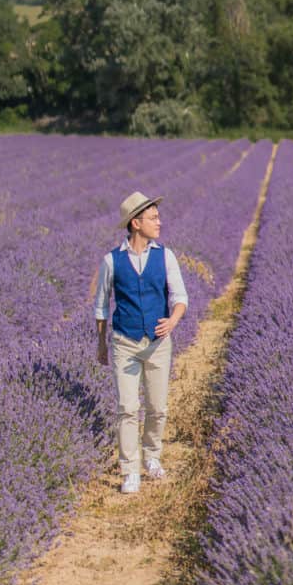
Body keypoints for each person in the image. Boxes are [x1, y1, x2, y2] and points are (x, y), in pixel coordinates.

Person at [94, 191, 188, 493]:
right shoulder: (111, 261)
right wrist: (101, 344)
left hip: (159, 343)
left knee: (158, 407)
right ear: (136, 223)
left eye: (158, 217)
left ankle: (152, 456)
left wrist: (173, 321)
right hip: (125, 342)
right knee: (127, 407)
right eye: (153, 218)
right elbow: (101, 307)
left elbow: (180, 296)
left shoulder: (166, 255)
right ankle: (129, 469)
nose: (159, 222)